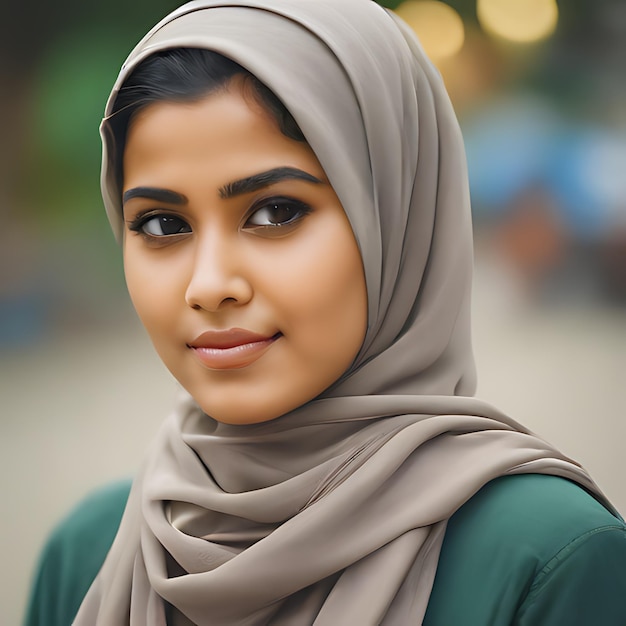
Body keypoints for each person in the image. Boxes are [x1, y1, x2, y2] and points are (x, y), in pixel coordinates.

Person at [24, 1, 626, 624]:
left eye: (274, 212)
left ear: (397, 216)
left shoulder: (550, 562)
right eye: (162, 224)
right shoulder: (87, 555)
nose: (208, 286)